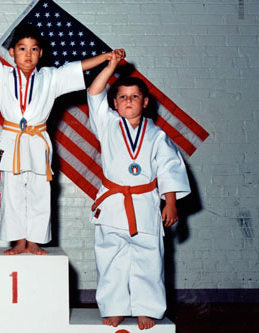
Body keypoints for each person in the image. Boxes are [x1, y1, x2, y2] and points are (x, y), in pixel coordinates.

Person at [0, 24, 113, 255]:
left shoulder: (51, 77)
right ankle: (18, 241)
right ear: (12, 53)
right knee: (12, 193)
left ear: (40, 53)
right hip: (12, 139)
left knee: (40, 192)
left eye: (34, 49)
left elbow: (78, 68)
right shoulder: (2, 75)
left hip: (37, 139)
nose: (28, 54)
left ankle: (35, 240)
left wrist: (106, 57)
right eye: (22, 48)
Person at [87, 49, 191, 329]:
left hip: (145, 203)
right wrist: (111, 66)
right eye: (122, 97)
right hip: (113, 204)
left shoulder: (157, 135)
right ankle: (115, 307)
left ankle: (148, 309)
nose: (128, 101)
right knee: (111, 260)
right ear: (115, 104)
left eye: (134, 96)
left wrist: (170, 202)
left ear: (145, 102)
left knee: (149, 259)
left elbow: (169, 168)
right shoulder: (107, 124)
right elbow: (94, 92)